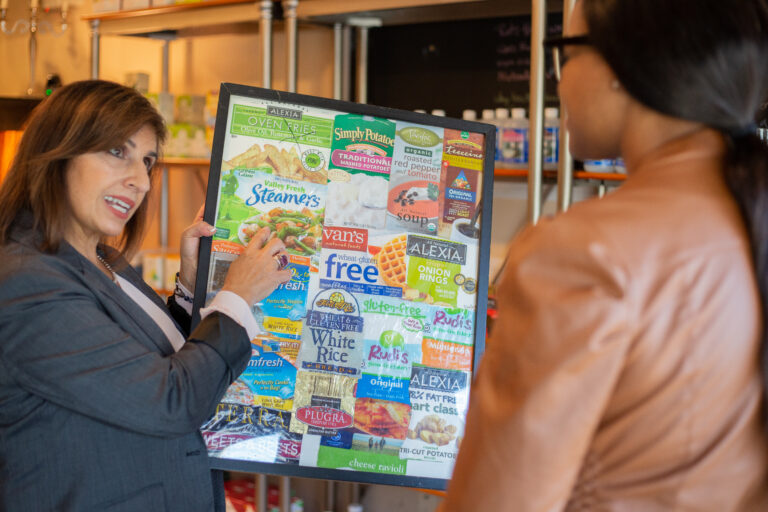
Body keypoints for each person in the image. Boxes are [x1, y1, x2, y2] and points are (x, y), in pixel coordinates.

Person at [442, 0, 768, 510]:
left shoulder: (580, 252)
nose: (560, 80)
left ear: (624, 66)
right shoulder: (746, 217)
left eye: (566, 53)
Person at [0, 80, 292, 511]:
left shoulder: (103, 259)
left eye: (148, 161)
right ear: (58, 153)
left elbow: (147, 363)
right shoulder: (28, 280)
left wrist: (194, 286)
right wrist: (238, 296)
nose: (139, 181)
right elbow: (170, 398)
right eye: (117, 152)